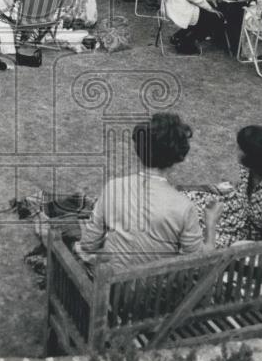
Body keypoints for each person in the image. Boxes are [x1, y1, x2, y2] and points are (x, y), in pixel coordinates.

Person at [74, 112, 217, 269]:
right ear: (179, 156)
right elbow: (199, 262)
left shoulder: (113, 187)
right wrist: (210, 222)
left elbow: (88, 244)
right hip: (156, 291)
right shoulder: (184, 207)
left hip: (111, 287)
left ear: (139, 150)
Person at [186, 126, 262, 248]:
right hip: (234, 211)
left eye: (240, 149)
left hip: (247, 236)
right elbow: (241, 191)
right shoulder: (249, 168)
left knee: (200, 239)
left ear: (254, 156)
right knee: (186, 204)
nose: (236, 151)